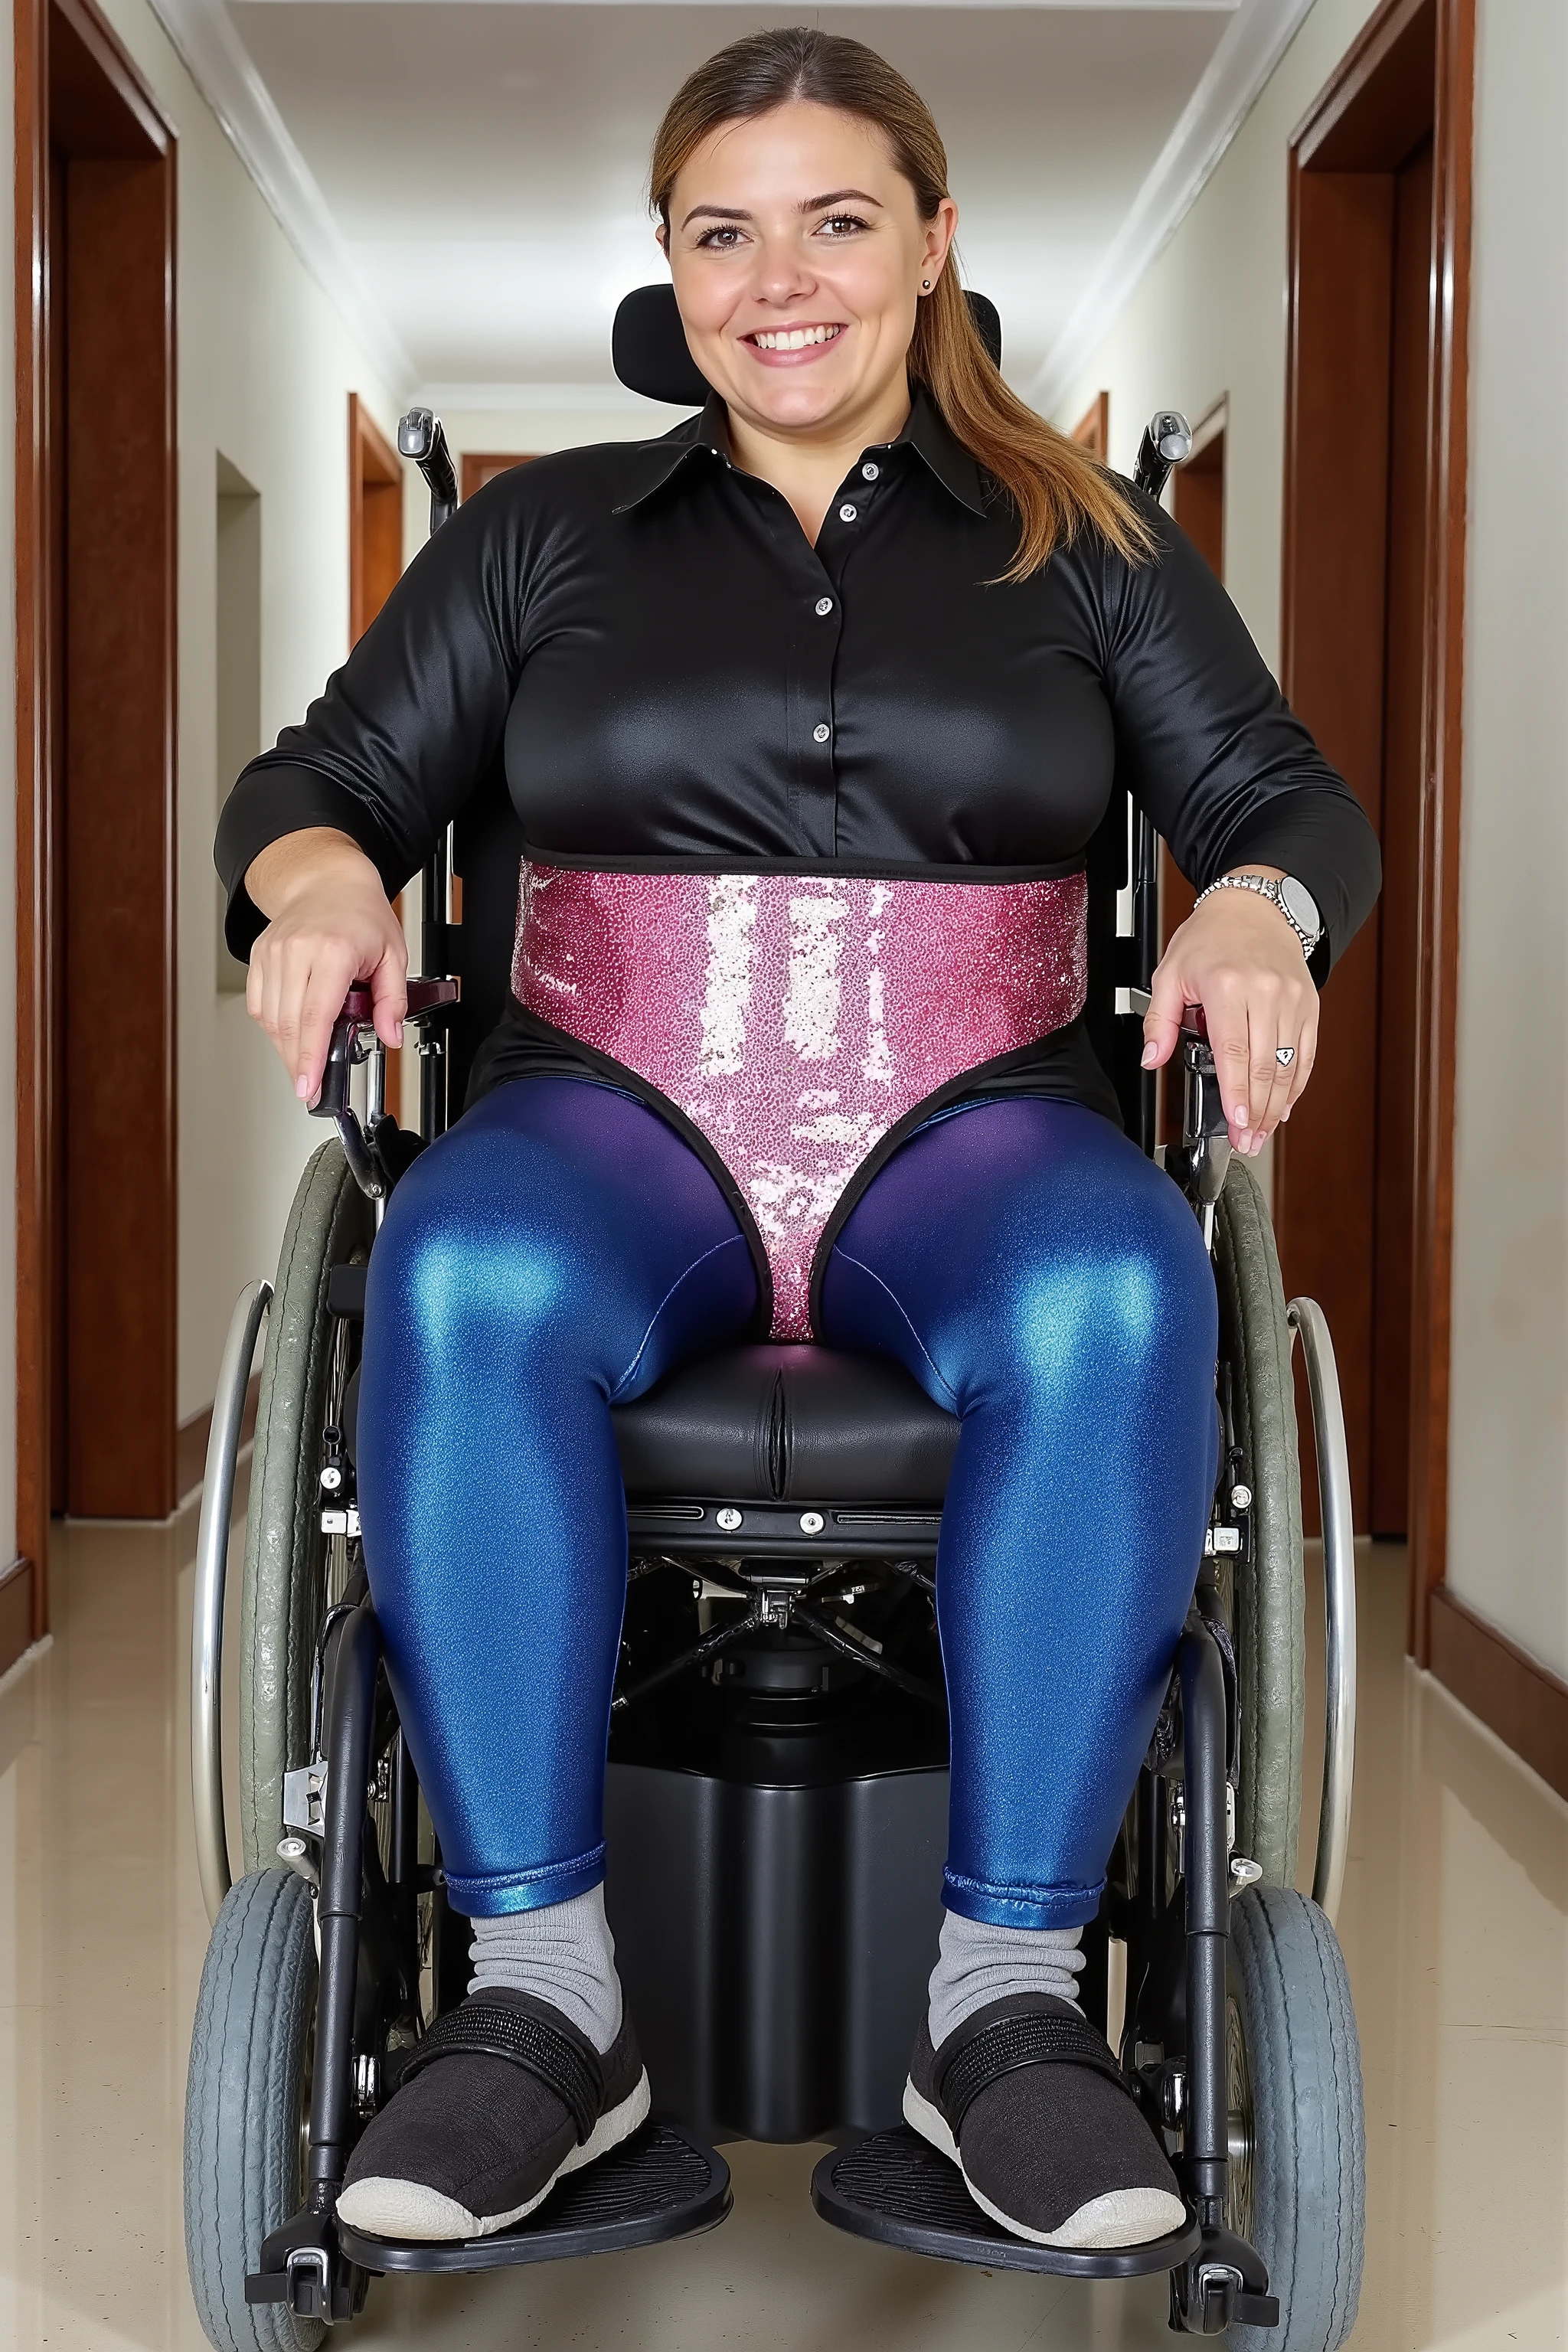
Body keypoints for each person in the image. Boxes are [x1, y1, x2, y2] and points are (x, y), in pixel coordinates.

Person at [217, 27, 1378, 2256]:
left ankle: (1007, 2019)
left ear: (935, 245)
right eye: (723, 232)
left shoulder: (1090, 542)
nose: (784, 283)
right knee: (458, 1264)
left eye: (839, 221)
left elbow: (1284, 796)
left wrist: (1256, 902)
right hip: (614, 1115)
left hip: (972, 1126)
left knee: (1119, 1282)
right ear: (668, 267)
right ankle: (548, 2009)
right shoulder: (538, 533)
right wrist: (322, 875)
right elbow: (314, 782)